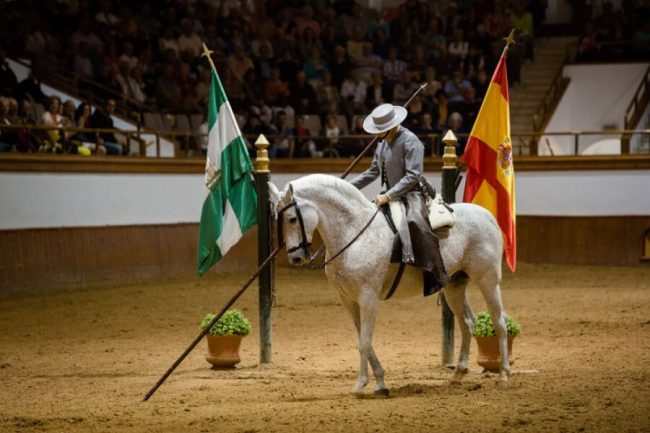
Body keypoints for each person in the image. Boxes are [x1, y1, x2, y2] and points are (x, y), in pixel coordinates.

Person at [348, 103, 448, 296]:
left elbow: (413, 176)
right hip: (392, 193)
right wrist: (346, 187)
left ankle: (436, 274)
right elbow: (373, 171)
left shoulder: (412, 141)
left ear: (392, 126)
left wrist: (387, 195)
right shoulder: (382, 144)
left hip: (414, 193)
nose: (377, 134)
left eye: (381, 130)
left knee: (415, 222)